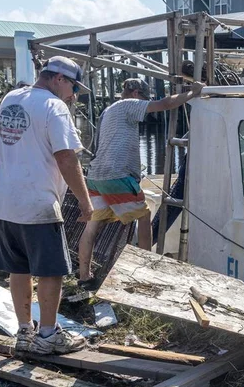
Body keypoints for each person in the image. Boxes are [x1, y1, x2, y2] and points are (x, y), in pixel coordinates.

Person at [0, 56, 93, 355]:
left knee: (18, 267)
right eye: (72, 86)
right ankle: (47, 335)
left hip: (3, 198)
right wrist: (85, 202)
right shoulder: (53, 106)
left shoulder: (11, 98)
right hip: (36, 199)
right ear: (58, 79)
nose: (72, 95)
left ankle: (24, 332)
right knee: (50, 271)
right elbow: (66, 157)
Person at [76, 77, 203, 288]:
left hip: (96, 175)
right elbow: (164, 104)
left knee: (92, 227)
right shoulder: (129, 104)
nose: (145, 104)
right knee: (144, 217)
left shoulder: (110, 110)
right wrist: (192, 93)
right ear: (136, 94)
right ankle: (145, 271)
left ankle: (84, 277)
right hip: (117, 175)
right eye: (144, 98)